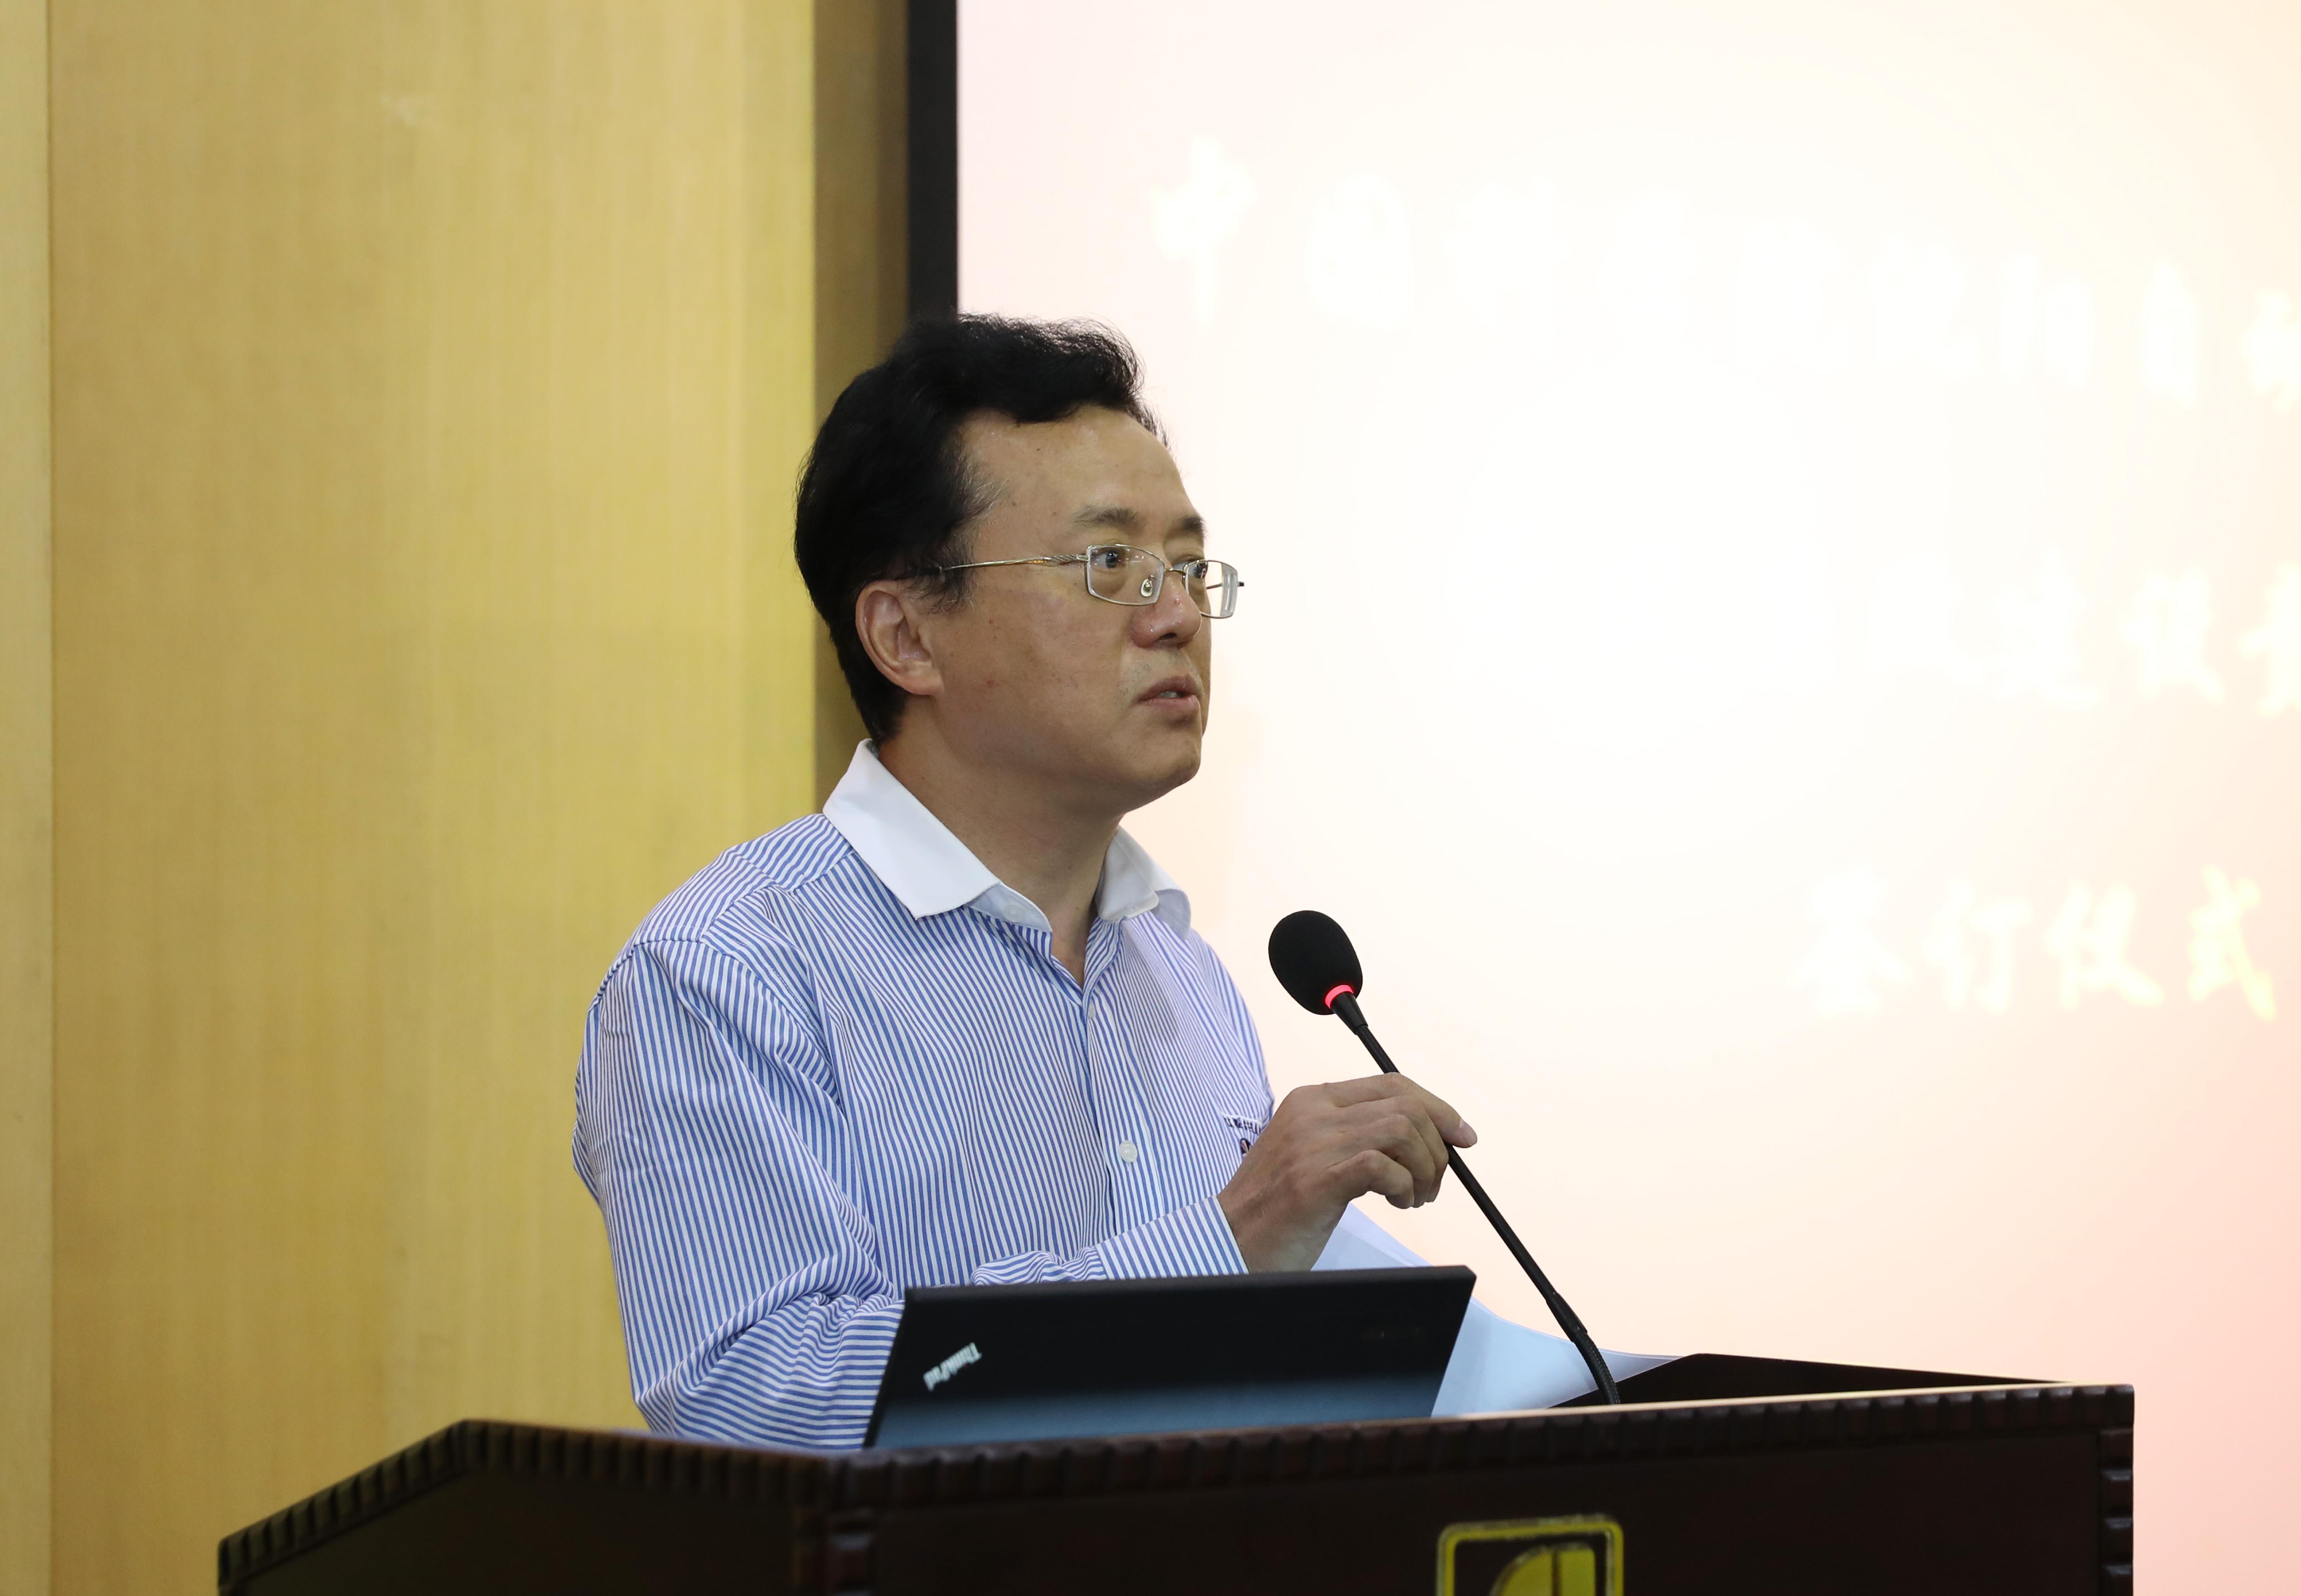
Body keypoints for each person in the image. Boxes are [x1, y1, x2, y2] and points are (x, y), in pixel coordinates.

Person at [574, 316, 1594, 1448]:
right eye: (1110, 566)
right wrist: (1227, 1241)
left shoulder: (1179, 971)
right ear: (907, 637)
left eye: (1190, 567)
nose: (1178, 616)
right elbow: (758, 1404)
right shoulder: (729, 973)